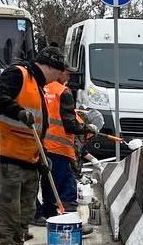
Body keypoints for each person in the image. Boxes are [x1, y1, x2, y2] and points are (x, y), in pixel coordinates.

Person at [0, 45, 67, 245]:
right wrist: (18, 112)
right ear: (50, 66)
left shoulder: (39, 86)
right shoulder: (18, 74)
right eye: (59, 71)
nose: (60, 77)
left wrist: (42, 158)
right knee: (9, 213)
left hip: (29, 159)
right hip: (9, 157)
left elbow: (36, 128)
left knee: (25, 214)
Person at [33, 48, 97, 231]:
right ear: (59, 72)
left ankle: (48, 216)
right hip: (59, 148)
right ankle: (70, 224)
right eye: (67, 73)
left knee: (48, 185)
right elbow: (69, 124)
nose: (68, 77)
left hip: (41, 146)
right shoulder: (64, 92)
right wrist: (87, 129)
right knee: (67, 187)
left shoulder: (41, 87)